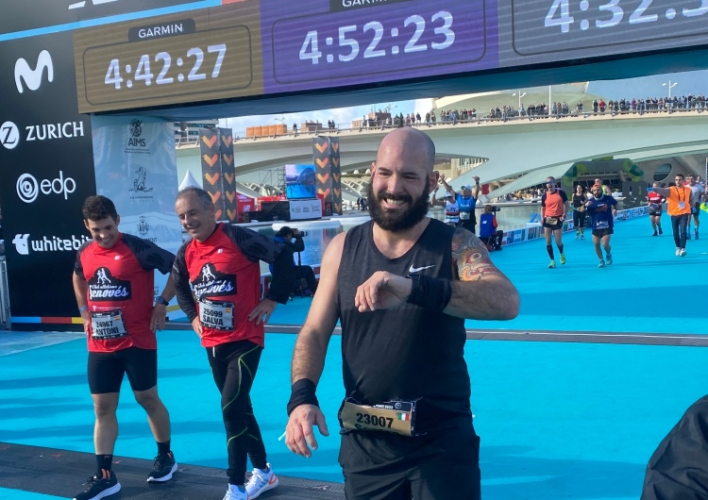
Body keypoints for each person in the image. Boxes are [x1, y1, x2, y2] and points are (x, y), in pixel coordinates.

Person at [284, 128, 520, 500]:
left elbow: (506, 301)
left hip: (440, 444)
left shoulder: (455, 244)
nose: (394, 187)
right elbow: (314, 331)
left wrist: (413, 289)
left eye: (409, 176)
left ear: (431, 181)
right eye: (386, 173)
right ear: (373, 172)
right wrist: (301, 397)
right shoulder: (342, 249)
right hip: (366, 444)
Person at [172, 187, 295, 500]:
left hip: (245, 339)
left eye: (192, 213)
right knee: (241, 409)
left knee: (230, 409)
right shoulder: (186, 252)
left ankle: (236, 486)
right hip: (213, 344)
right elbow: (179, 284)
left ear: (210, 209)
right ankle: (264, 473)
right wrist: (193, 317)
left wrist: (273, 298)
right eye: (182, 216)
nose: (187, 221)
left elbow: (283, 255)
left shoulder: (237, 237)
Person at [71, 196, 177, 500]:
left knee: (147, 399)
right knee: (102, 408)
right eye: (96, 230)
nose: (103, 235)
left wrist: (162, 303)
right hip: (100, 345)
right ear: (86, 226)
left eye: (108, 227)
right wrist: (84, 309)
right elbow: (78, 276)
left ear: (117, 220)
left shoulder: (138, 247)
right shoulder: (84, 252)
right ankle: (105, 476)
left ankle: (166, 457)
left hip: (137, 341)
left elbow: (178, 268)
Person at [650, 174, 693, 256]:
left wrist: (692, 206)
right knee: (675, 233)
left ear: (683, 180)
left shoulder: (688, 190)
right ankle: (678, 247)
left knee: (683, 231)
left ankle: (683, 249)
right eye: (676, 180)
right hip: (674, 213)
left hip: (684, 213)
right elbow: (661, 190)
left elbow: (691, 199)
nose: (678, 181)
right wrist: (652, 189)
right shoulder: (671, 190)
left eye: (680, 179)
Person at [273, 226, 318, 296]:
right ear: (288, 235)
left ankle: (293, 290)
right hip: (286, 272)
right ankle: (316, 292)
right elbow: (300, 247)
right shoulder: (285, 243)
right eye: (291, 236)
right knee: (308, 270)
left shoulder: (275, 241)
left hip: (275, 271)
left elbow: (294, 247)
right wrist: (298, 236)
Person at [585, 184, 618, 268]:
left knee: (605, 244)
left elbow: (615, 203)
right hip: (595, 225)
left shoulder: (608, 198)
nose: (596, 192)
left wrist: (615, 209)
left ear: (601, 190)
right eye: (594, 190)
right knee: (596, 244)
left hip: (607, 224)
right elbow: (586, 213)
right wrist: (586, 206)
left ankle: (608, 254)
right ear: (592, 192)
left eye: (598, 190)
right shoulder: (590, 201)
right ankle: (601, 260)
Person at [540, 176, 569, 268]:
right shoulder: (544, 195)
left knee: (558, 241)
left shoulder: (561, 193)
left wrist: (564, 215)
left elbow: (567, 204)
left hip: (557, 219)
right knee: (548, 241)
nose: (549, 184)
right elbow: (542, 208)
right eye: (547, 183)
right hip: (547, 219)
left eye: (550, 182)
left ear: (554, 183)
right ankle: (552, 261)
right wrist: (542, 218)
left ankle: (561, 253)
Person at [686, 175, 703, 240]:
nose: (691, 180)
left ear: (694, 179)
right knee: (688, 219)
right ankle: (688, 233)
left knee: (696, 218)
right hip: (688, 205)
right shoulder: (685, 187)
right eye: (689, 179)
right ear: (687, 180)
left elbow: (703, 193)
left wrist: (702, 201)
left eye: (692, 179)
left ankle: (696, 231)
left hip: (696, 204)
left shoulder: (698, 187)